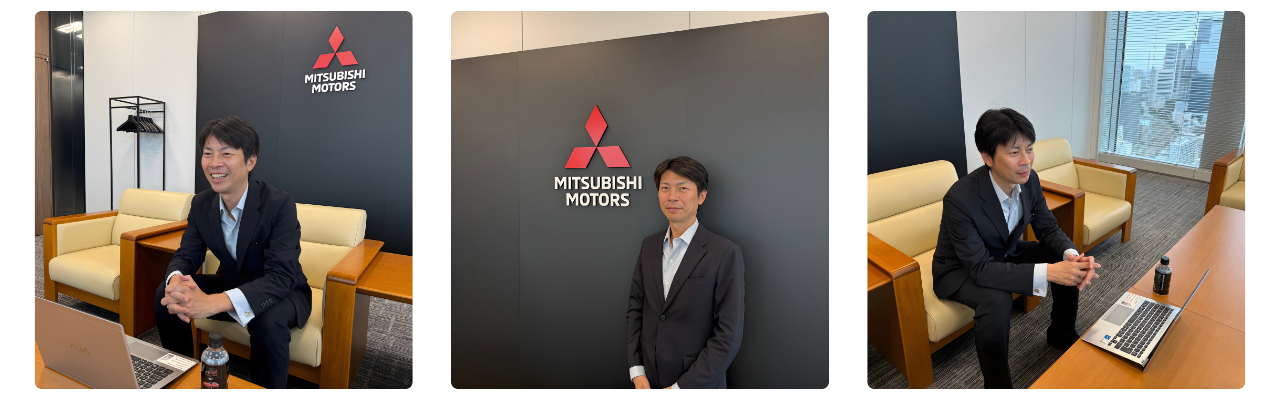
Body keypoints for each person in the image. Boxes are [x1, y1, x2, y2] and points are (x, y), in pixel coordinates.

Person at [932, 108, 1101, 388]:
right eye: (1014, 152)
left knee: (1063, 260)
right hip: (960, 269)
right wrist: (1050, 272)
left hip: (1002, 253)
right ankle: (997, 387)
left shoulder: (1029, 180)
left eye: (1029, 149)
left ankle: (1061, 334)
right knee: (997, 300)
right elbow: (981, 269)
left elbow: (1048, 228)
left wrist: (1071, 256)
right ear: (987, 157)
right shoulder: (959, 199)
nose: (1026, 160)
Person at [154, 116, 311, 389]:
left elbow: (281, 277)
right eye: (208, 153)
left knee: (268, 323)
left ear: (250, 161)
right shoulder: (201, 203)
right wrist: (176, 279)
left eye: (226, 154)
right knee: (166, 294)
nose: (214, 163)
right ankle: (180, 377)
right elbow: (187, 254)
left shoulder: (279, 204)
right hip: (230, 283)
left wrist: (214, 302)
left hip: (279, 291)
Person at [626, 156, 745, 389]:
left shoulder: (725, 252)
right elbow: (635, 309)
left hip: (698, 385)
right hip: (647, 383)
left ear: (701, 196)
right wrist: (636, 371)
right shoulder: (649, 245)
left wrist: (680, 389)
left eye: (683, 188)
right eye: (665, 188)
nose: (672, 196)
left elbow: (728, 335)